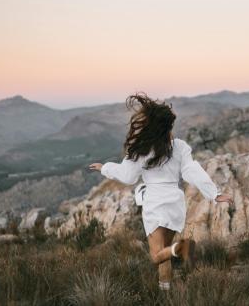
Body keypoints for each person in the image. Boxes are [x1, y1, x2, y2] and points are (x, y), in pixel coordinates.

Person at [89, 92, 233, 290]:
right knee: (165, 254)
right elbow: (192, 171)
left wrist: (105, 167)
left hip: (155, 203)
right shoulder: (180, 147)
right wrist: (214, 194)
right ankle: (166, 294)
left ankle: (182, 248)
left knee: (156, 256)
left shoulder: (143, 149)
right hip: (175, 203)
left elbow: (128, 176)